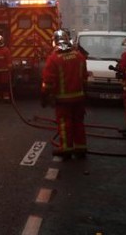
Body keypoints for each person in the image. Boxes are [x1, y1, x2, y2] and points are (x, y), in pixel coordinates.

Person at [41, 29, 88, 160]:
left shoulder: (54, 59)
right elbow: (84, 77)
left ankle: (66, 149)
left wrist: (44, 95)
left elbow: (48, 81)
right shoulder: (79, 56)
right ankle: (81, 148)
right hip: (79, 97)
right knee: (78, 122)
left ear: (55, 42)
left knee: (65, 123)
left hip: (63, 100)